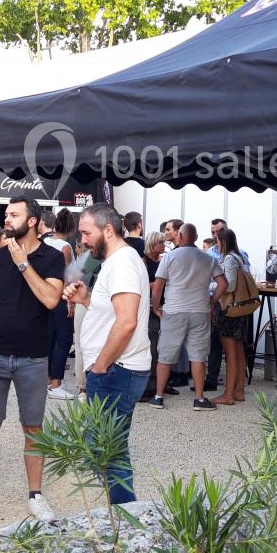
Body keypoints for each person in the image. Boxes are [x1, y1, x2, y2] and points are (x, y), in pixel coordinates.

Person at [0, 196, 66, 524]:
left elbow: (51, 299)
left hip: (33, 358)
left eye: (14, 214)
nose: (7, 218)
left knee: (34, 429)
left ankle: (35, 495)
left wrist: (24, 265)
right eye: (6, 213)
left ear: (31, 221)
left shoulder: (52, 257)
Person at [64, 203, 152, 505]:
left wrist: (100, 365)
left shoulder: (123, 263)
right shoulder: (115, 261)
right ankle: (123, 517)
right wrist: (87, 299)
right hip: (115, 370)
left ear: (109, 230)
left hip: (116, 370)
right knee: (104, 449)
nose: (83, 241)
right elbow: (114, 315)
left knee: (109, 451)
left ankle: (126, 519)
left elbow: (127, 322)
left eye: (87, 233)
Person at [150, 223, 226, 410]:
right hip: (200, 311)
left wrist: (155, 306)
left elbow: (158, 286)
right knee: (198, 356)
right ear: (197, 236)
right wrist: (211, 301)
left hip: (174, 310)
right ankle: (199, 399)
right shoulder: (208, 259)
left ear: (181, 236)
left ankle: (158, 397)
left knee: (165, 355)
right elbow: (223, 283)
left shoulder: (169, 257)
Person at [212, 228, 250, 406]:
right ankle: (238, 390)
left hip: (229, 310)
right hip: (240, 310)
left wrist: (212, 285)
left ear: (223, 242)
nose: (216, 244)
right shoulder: (239, 257)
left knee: (230, 353)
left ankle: (228, 394)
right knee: (239, 351)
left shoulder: (229, 259)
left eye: (217, 241)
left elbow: (229, 285)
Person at [42, 209, 77, 400]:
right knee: (63, 339)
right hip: (61, 296)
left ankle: (48, 380)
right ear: (71, 229)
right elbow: (64, 275)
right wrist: (69, 300)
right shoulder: (65, 247)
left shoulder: (45, 242)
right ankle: (56, 383)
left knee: (49, 338)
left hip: (44, 295)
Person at [140, 231, 169, 401]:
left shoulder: (163, 260)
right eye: (160, 242)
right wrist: (159, 282)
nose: (163, 245)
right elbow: (141, 283)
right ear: (151, 243)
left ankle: (162, 383)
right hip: (151, 308)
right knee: (152, 347)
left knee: (164, 348)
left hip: (164, 307)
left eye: (164, 242)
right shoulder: (143, 261)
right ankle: (149, 387)